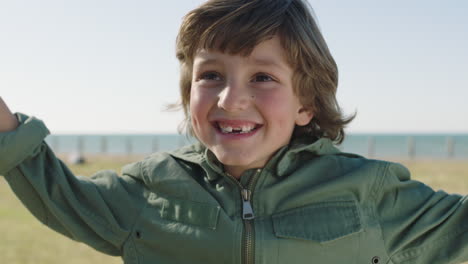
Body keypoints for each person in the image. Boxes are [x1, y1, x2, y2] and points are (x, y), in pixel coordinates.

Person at [0, 0, 467, 263]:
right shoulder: (150, 189)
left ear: (306, 103)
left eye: (263, 78)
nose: (229, 99)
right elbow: (60, 197)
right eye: (211, 76)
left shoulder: (369, 192)